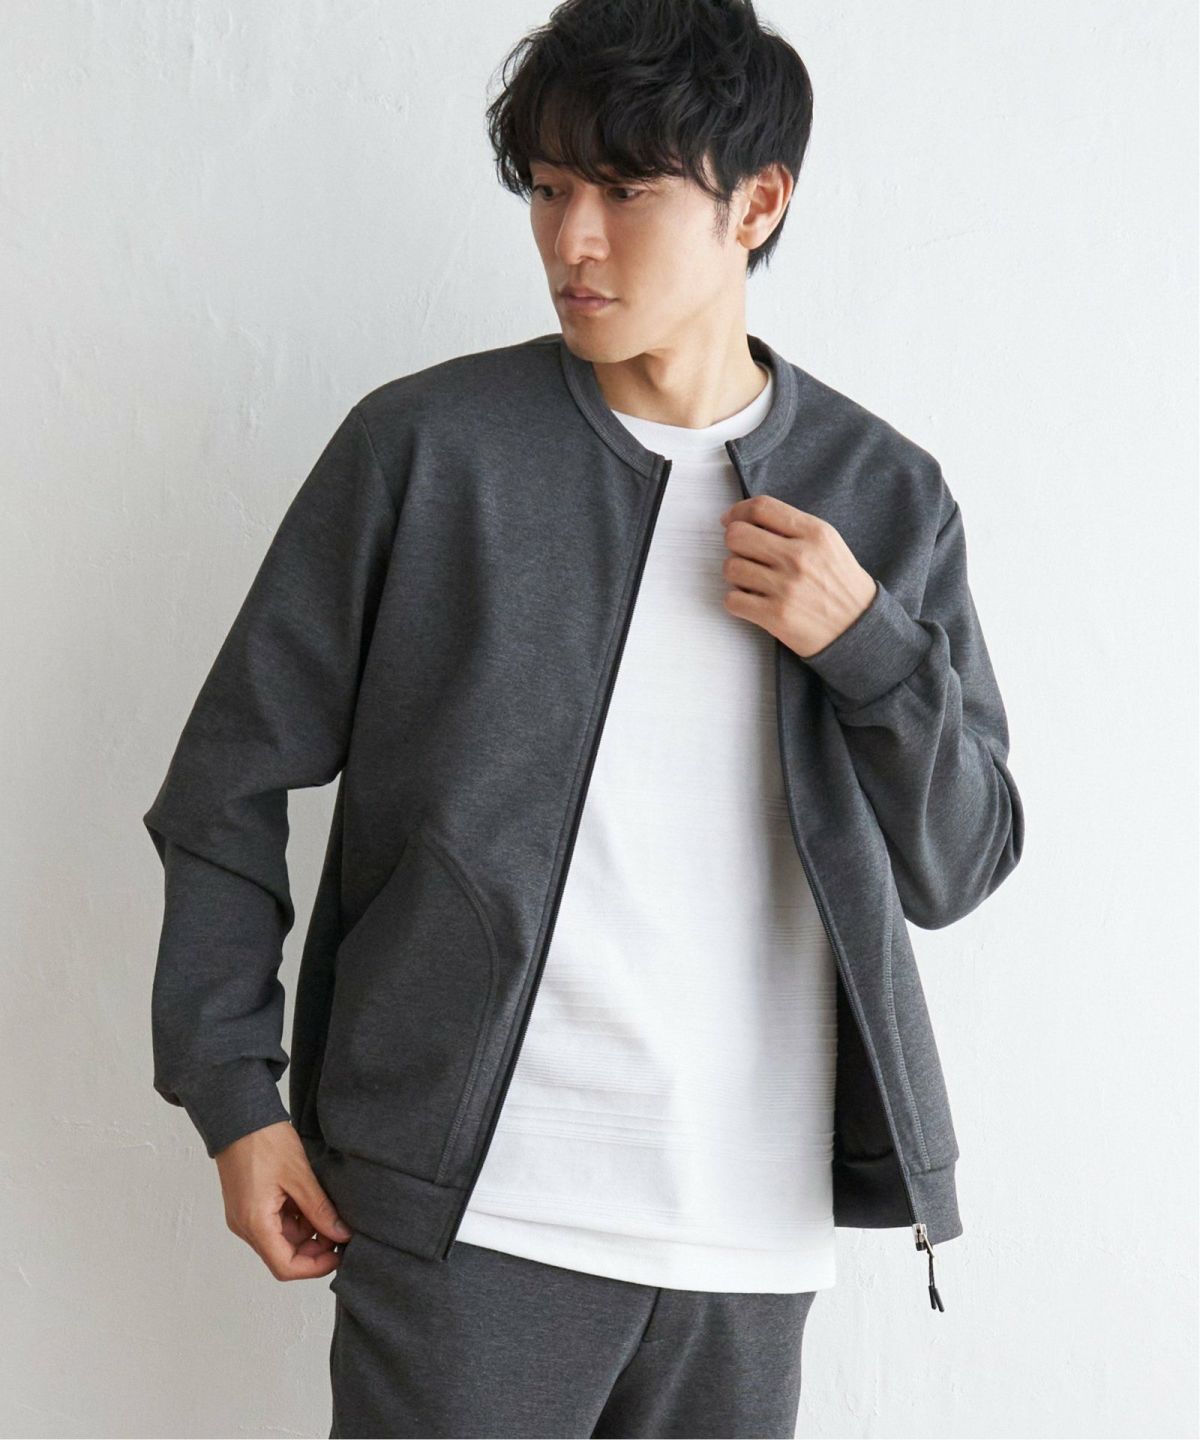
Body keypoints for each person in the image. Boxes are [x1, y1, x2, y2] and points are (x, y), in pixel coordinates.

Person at [143, 2, 1025, 1435]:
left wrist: (868, 646)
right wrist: (233, 1095)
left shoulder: (882, 494)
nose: (574, 240)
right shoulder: (431, 452)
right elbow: (224, 785)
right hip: (470, 1220)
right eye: (550, 190)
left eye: (625, 191)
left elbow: (963, 861)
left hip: (746, 1244)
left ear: (757, 203)